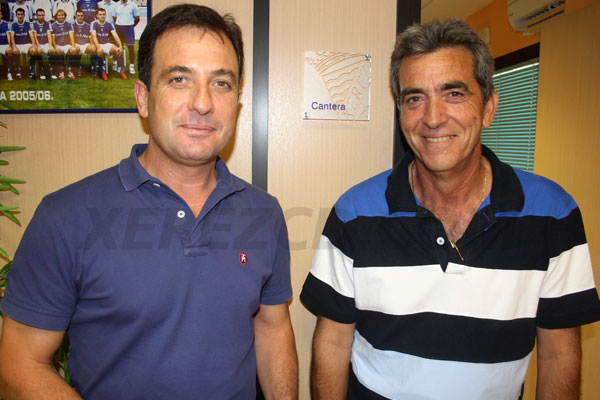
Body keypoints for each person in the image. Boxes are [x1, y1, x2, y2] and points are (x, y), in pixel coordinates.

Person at [0, 3, 298, 400]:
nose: (203, 103)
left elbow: (272, 328)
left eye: (221, 83)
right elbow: (19, 365)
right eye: (179, 79)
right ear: (143, 98)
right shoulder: (65, 217)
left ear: (237, 101)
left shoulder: (264, 213)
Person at [300, 18, 600, 400]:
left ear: (488, 107)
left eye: (453, 93)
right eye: (414, 98)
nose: (433, 117)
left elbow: (559, 354)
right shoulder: (353, 213)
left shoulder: (554, 214)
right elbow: (333, 342)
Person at [90, 7, 123, 80]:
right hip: (98, 44)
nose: (102, 16)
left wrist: (120, 46)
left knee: (118, 50)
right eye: (100, 14)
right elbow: (93, 36)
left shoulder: (109, 24)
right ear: (97, 15)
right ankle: (102, 71)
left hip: (106, 44)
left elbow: (115, 35)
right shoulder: (94, 23)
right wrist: (98, 47)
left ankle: (121, 71)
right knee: (99, 51)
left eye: (103, 14)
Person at [113, 0, 138, 75]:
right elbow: (114, 18)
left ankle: (131, 66)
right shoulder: (116, 5)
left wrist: (130, 25)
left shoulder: (133, 5)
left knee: (131, 48)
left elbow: (137, 18)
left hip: (129, 28)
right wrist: (120, 24)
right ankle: (119, 65)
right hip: (119, 28)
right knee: (118, 48)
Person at [8, 7, 35, 78]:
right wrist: (14, 46)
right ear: (16, 15)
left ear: (24, 15)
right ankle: (18, 70)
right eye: (18, 14)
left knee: (32, 50)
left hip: (26, 44)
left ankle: (31, 71)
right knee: (15, 51)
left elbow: (31, 35)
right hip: (18, 44)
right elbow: (12, 36)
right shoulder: (13, 24)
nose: (20, 16)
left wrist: (33, 45)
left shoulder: (27, 24)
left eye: (21, 14)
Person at [49, 8, 75, 79]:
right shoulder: (53, 25)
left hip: (66, 45)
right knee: (58, 51)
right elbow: (53, 39)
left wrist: (73, 46)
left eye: (62, 15)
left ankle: (70, 71)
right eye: (59, 15)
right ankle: (61, 71)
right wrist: (55, 46)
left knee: (73, 50)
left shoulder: (69, 24)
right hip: (58, 45)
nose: (61, 16)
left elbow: (71, 37)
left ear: (65, 16)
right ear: (56, 16)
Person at [72, 8, 95, 77]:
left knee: (93, 49)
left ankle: (93, 67)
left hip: (85, 44)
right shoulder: (72, 25)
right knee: (76, 49)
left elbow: (90, 37)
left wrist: (92, 45)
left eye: (81, 16)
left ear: (83, 16)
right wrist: (74, 45)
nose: (80, 17)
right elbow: (71, 38)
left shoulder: (88, 25)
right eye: (78, 16)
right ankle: (78, 67)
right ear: (76, 16)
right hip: (76, 44)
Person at [30, 8, 51, 79]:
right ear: (36, 16)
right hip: (37, 44)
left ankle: (52, 71)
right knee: (35, 51)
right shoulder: (33, 24)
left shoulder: (48, 23)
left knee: (52, 51)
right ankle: (40, 71)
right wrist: (38, 46)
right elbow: (34, 36)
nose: (41, 17)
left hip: (45, 44)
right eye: (39, 15)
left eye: (42, 15)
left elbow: (49, 35)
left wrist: (50, 46)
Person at [0, 9, 14, 80]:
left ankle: (9, 73)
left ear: (1, 15)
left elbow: (9, 36)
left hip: (4, 44)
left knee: (9, 51)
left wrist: (9, 46)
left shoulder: (6, 24)